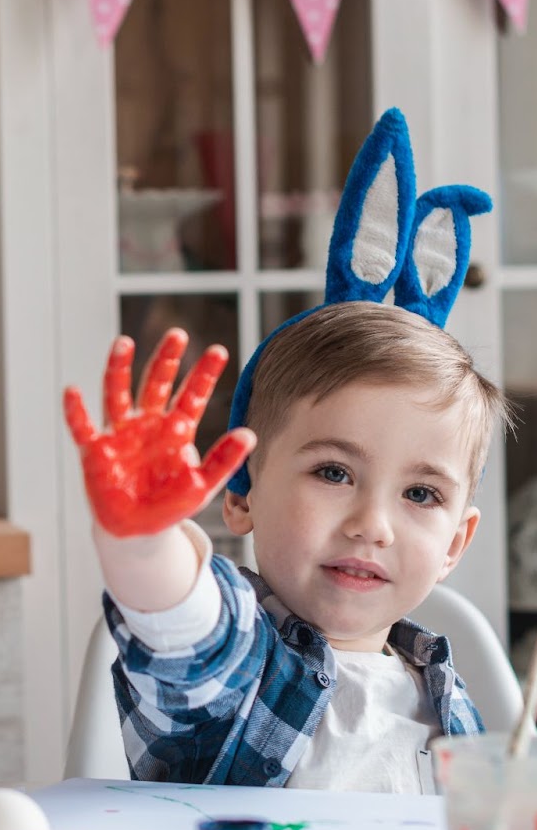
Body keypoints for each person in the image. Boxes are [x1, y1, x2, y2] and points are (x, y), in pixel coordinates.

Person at [63, 109, 511, 791]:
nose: (372, 524)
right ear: (241, 495)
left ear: (456, 542)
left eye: (422, 494)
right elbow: (181, 628)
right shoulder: (242, 666)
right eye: (334, 472)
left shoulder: (445, 696)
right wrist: (145, 540)